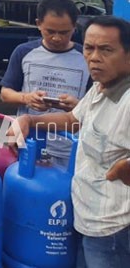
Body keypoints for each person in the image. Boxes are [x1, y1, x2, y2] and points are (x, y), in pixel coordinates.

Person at [9, 16, 130, 268]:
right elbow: (74, 119)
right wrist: (29, 121)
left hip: (116, 229)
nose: (94, 57)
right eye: (89, 48)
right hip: (88, 218)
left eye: (106, 50)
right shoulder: (101, 87)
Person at [0, 0, 90, 167]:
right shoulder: (24, 52)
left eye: (64, 32)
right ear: (38, 24)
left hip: (71, 151)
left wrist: (78, 106)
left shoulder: (86, 57)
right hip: (29, 144)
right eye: (50, 31)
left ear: (74, 27)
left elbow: (96, 103)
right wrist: (27, 98)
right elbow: (5, 94)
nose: (57, 38)